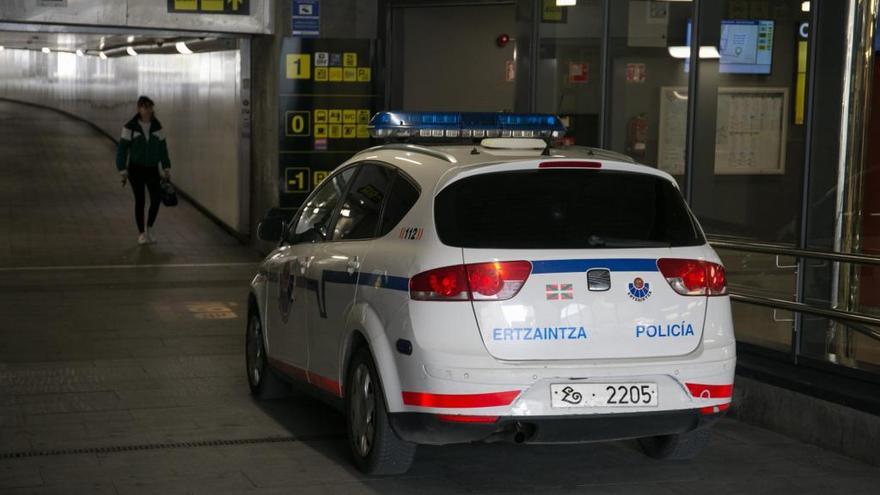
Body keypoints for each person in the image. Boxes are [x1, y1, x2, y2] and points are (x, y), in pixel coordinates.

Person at [116, 96, 172, 245]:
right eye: (145, 107)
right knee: (140, 201)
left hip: (152, 169)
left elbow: (162, 149)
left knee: (155, 200)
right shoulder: (130, 127)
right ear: (139, 109)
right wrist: (122, 169)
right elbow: (122, 150)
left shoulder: (157, 126)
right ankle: (141, 233)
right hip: (136, 169)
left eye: (150, 107)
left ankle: (150, 228)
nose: (148, 110)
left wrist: (166, 167)